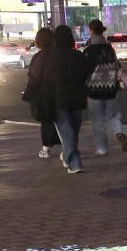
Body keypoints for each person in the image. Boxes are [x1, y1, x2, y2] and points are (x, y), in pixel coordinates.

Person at [43, 24, 89, 173]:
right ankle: (68, 156)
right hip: (77, 98)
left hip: (59, 100)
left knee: (67, 131)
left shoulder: (51, 57)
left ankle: (74, 163)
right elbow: (87, 73)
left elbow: (47, 79)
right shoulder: (78, 56)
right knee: (73, 131)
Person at [83, 19, 127, 155]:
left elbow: (85, 71)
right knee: (113, 115)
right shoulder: (109, 48)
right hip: (110, 88)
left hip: (94, 90)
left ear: (91, 31)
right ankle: (119, 132)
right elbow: (117, 66)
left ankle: (102, 148)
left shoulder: (89, 50)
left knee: (97, 120)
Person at [22, 27, 61, 159]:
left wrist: (28, 94)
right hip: (61, 94)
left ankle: (46, 148)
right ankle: (67, 147)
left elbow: (34, 77)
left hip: (45, 95)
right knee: (64, 121)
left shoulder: (39, 57)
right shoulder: (60, 54)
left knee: (46, 120)